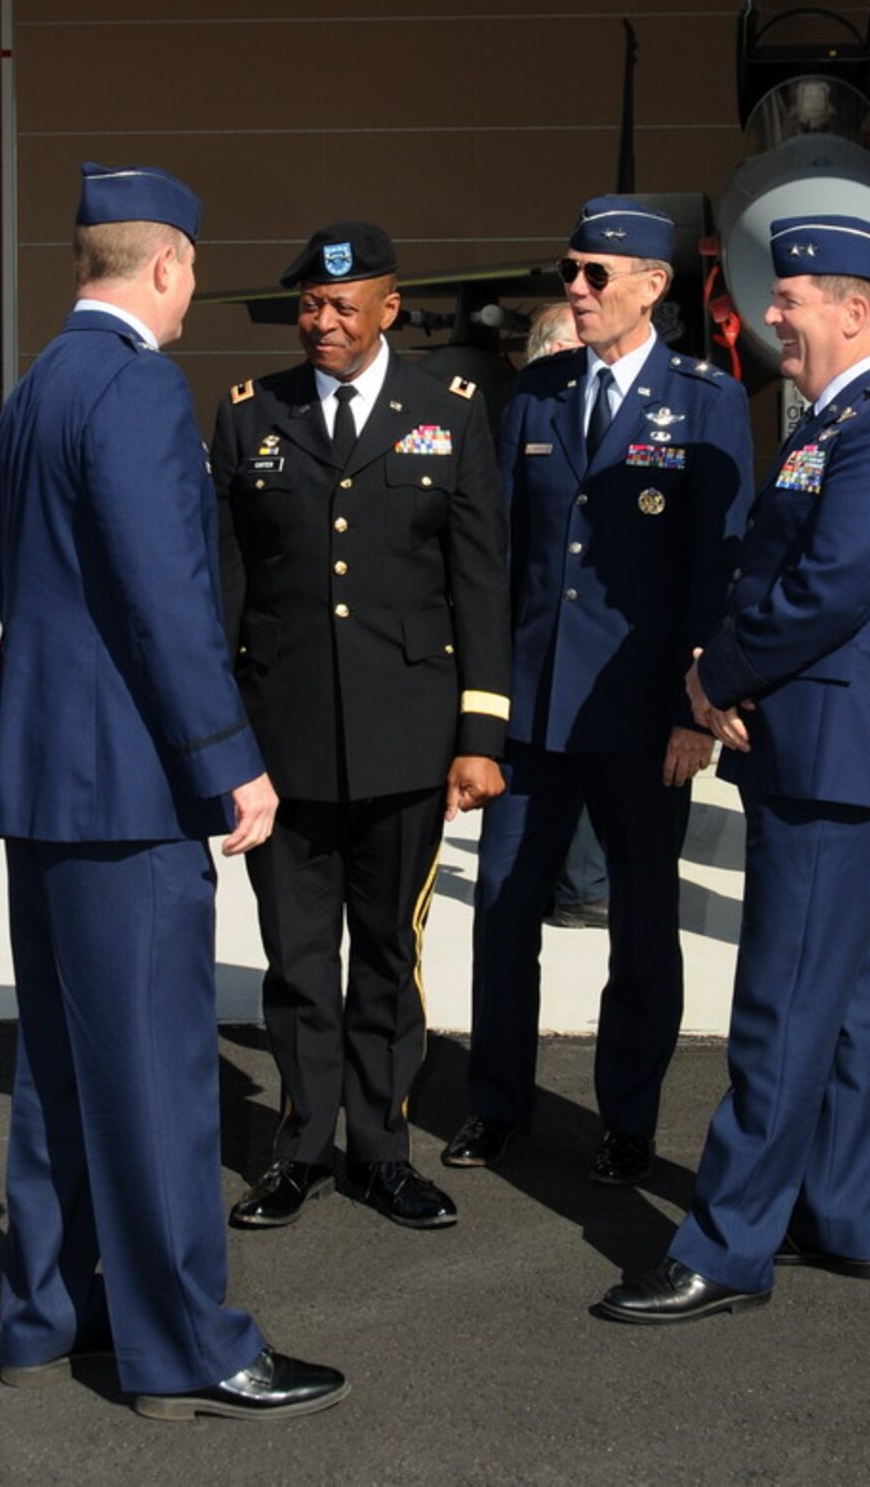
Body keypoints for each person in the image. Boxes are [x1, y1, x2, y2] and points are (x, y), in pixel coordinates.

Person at [0, 162, 347, 1422]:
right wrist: (227, 754)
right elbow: (163, 599)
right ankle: (189, 1342)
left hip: (47, 777)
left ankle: (43, 1311)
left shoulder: (35, 389)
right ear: (168, 263)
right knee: (161, 1075)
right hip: (126, 788)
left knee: (63, 1067)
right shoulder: (132, 387)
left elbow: (37, 590)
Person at [595, 210, 870, 1324]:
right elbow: (772, 559)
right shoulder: (827, 419)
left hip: (838, 756)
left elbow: (830, 585)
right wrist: (733, 668)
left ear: (856, 310)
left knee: (780, 1005)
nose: (772, 315)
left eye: (792, 299)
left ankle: (727, 1243)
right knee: (836, 995)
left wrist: (717, 679)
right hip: (810, 740)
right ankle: (843, 1216)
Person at [444, 196, 753, 1186]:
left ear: (651, 285)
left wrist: (688, 711)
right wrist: (480, 715)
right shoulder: (534, 392)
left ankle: (627, 1117)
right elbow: (499, 560)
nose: (573, 290)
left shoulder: (706, 401)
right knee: (502, 911)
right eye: (568, 270)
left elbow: (718, 565)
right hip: (531, 714)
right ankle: (497, 1103)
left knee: (642, 924)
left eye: (594, 274)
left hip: (639, 716)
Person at [211, 220, 512, 1235]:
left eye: (344, 305)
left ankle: (382, 1147)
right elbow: (229, 584)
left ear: (390, 309)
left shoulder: (449, 413)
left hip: (408, 741)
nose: (321, 320)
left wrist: (481, 733)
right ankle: (297, 1146)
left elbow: (479, 581)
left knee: (387, 951)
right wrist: (219, 735)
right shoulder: (252, 413)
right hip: (282, 742)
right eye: (309, 303)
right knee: (297, 960)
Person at [526, 300, 610, 933]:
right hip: (538, 654)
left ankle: (581, 885)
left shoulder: (695, 397)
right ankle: (576, 884)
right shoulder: (532, 407)